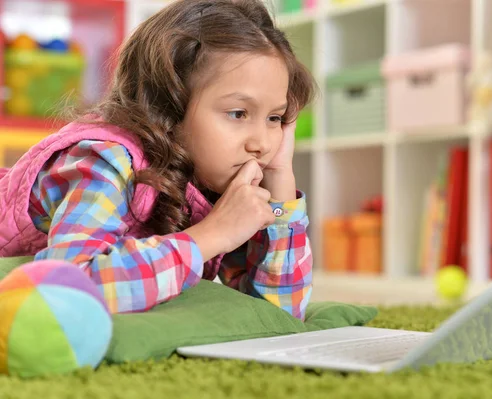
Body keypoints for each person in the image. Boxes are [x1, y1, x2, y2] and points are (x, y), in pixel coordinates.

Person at [0, 0, 316, 320]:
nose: (261, 143)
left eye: (275, 118)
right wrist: (211, 235)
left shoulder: (214, 177)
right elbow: (68, 291)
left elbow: (279, 315)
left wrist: (280, 185)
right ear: (168, 109)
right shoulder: (104, 162)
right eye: (238, 113)